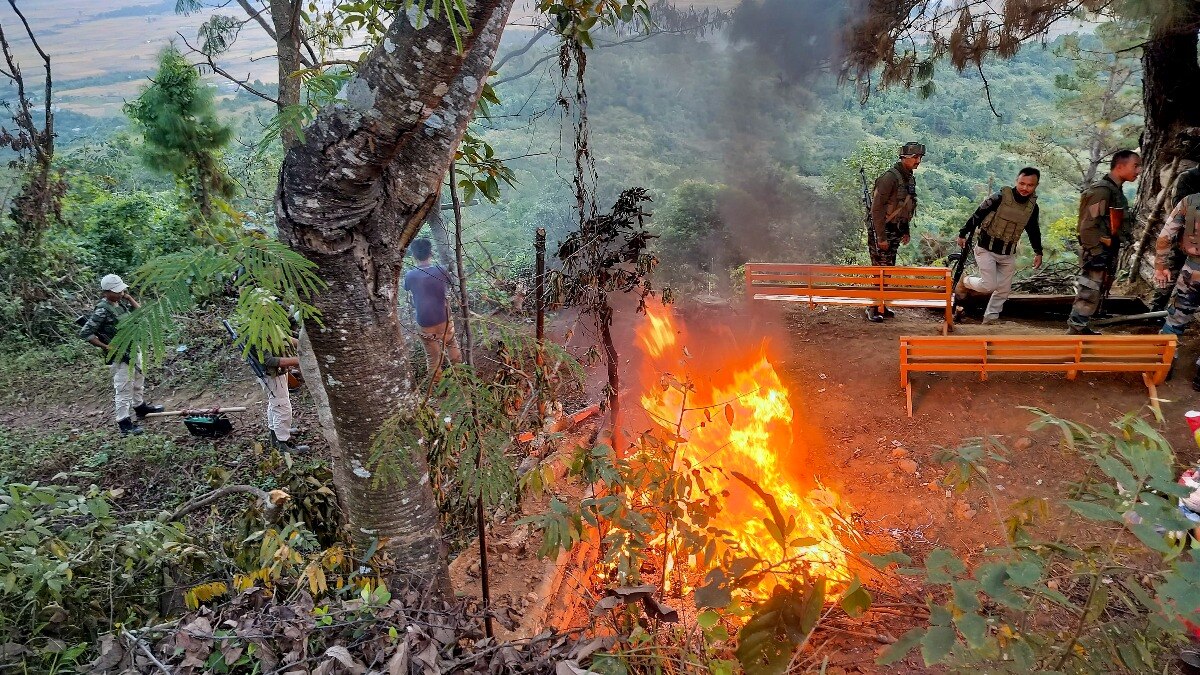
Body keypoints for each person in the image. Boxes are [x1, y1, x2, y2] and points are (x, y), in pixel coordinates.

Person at [954, 168, 1045, 324]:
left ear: (1036, 186)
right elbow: (978, 214)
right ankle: (965, 281)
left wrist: (1038, 251)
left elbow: (1033, 230)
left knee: (1003, 289)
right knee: (989, 285)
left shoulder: (1032, 207)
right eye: (1022, 183)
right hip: (985, 248)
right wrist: (963, 233)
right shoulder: (999, 197)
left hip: (1008, 252)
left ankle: (990, 319)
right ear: (1016, 181)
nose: (1025, 188)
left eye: (1030, 185)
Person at [1067, 150, 1143, 335]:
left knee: (1096, 289)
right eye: (1135, 166)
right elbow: (1087, 225)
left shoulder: (1114, 190)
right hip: (1097, 250)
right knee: (1089, 289)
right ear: (1120, 166)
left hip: (1106, 249)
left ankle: (1081, 326)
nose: (1139, 171)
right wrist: (1095, 251)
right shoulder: (1102, 191)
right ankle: (1076, 329)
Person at [78, 274, 163, 435]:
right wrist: (107, 347)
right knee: (124, 388)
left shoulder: (120, 304)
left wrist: (129, 298)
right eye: (117, 291)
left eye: (122, 290)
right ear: (106, 292)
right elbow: (86, 333)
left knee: (138, 380)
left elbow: (141, 313)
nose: (121, 293)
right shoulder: (102, 310)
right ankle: (124, 422)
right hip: (120, 355)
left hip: (133, 348)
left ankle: (140, 408)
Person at [867, 141, 925, 322]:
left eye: (920, 157)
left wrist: (906, 230)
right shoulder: (889, 178)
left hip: (896, 231)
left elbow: (906, 206)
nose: (918, 161)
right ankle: (873, 307)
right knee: (880, 270)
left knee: (888, 270)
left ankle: (882, 305)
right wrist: (881, 237)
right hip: (882, 231)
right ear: (904, 158)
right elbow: (876, 209)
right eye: (915, 157)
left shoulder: (909, 178)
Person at [1154, 190, 1200, 389]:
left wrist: (1160, 265)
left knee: (1177, 314)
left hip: (1193, 269)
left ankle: (1165, 362)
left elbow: (1165, 236)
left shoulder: (1190, 201)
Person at [403, 238, 462, 378]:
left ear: (414, 255)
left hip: (425, 323)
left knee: (433, 359)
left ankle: (438, 388)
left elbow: (406, 288)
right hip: (444, 318)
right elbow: (451, 284)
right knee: (452, 344)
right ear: (431, 253)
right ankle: (462, 377)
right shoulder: (441, 270)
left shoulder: (410, 275)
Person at [1154, 163, 1200, 311]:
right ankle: (1156, 308)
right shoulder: (1188, 177)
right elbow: (1180, 207)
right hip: (1184, 235)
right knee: (1173, 270)